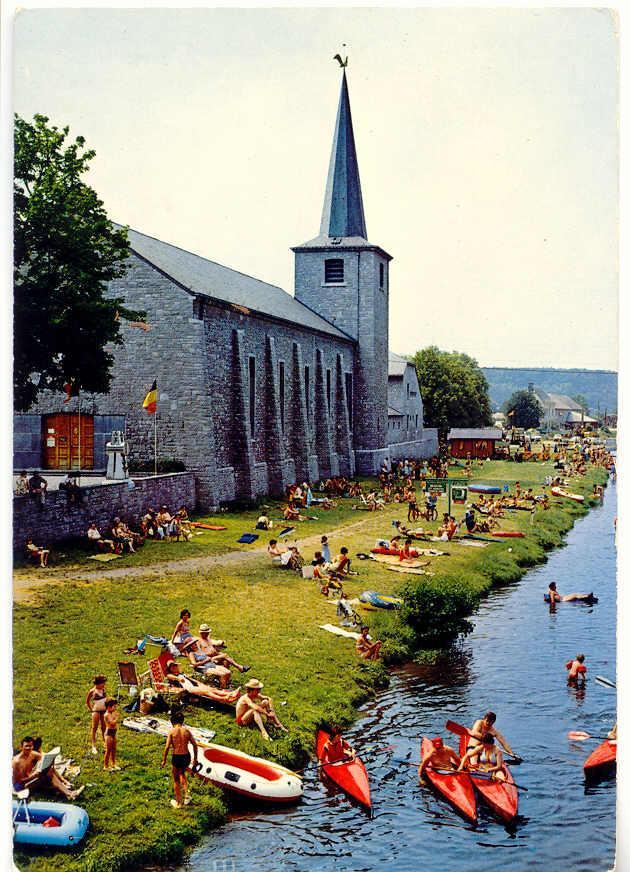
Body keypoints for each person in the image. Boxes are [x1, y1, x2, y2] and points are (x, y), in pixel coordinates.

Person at [12, 737, 84, 800]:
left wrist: (52, 759)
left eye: (30, 746)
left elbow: (45, 759)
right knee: (48, 774)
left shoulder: (32, 754)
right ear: (21, 747)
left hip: (31, 777)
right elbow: (20, 781)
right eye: (26, 746)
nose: (29, 748)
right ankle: (69, 793)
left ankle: (69, 793)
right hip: (21, 787)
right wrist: (34, 775)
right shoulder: (16, 762)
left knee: (49, 771)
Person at [161, 710, 198, 809]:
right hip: (186, 756)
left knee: (176, 779)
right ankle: (186, 795)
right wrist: (195, 759)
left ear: (173, 722)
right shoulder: (187, 731)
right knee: (182, 773)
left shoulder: (172, 732)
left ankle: (178, 803)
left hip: (177, 757)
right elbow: (195, 745)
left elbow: (167, 747)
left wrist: (164, 760)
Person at [86, 674, 108, 754]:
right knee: (94, 728)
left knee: (104, 727)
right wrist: (91, 709)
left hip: (104, 710)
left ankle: (105, 743)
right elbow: (87, 701)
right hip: (96, 710)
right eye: (103, 683)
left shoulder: (103, 690)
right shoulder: (92, 691)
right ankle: (93, 745)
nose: (104, 685)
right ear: (98, 684)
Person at [103, 698, 120, 771]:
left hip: (114, 733)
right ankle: (106, 766)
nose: (115, 708)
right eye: (114, 706)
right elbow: (112, 723)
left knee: (114, 749)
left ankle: (113, 763)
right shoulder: (107, 715)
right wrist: (117, 718)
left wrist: (115, 716)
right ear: (109, 707)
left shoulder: (112, 713)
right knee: (108, 750)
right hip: (109, 733)